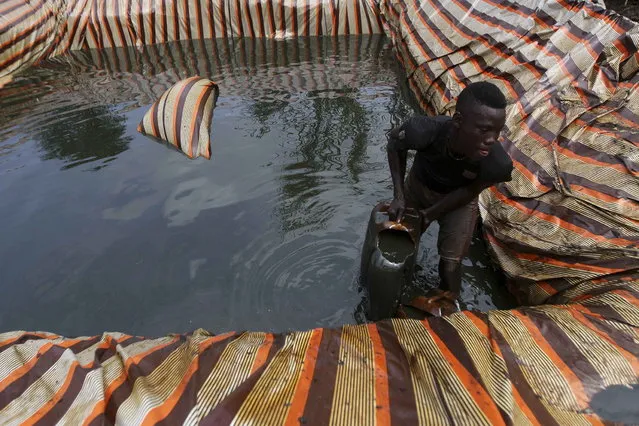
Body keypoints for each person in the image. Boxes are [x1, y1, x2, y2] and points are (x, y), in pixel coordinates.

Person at [386, 81, 513, 302]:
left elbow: (470, 191)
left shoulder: (497, 164)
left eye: (497, 131)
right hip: (417, 188)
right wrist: (398, 197)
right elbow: (394, 145)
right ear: (458, 121)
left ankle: (446, 301)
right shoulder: (423, 131)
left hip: (459, 201)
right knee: (399, 243)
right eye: (483, 130)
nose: (492, 139)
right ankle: (396, 289)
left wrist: (430, 214)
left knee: (451, 265)